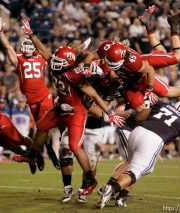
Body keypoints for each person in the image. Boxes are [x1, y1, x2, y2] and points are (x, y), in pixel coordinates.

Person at [18, 17, 125, 196]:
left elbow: (93, 94)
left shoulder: (76, 76)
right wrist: (30, 35)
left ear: (67, 64)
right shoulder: (57, 64)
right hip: (62, 107)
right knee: (42, 126)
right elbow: (44, 51)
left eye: (59, 63)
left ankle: (90, 179)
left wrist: (110, 113)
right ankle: (33, 154)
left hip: (77, 111)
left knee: (75, 147)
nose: (54, 64)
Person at [97, 101, 180, 209]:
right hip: (152, 139)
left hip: (137, 131)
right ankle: (111, 189)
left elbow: (139, 117)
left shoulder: (162, 105)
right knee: (138, 170)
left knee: (131, 167)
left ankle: (121, 197)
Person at [0, 16, 60, 171]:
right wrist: (0, 33)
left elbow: (46, 51)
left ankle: (45, 154)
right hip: (31, 100)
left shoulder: (41, 58)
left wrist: (31, 34)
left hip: (44, 97)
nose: (28, 49)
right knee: (41, 130)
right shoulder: (19, 60)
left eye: (31, 47)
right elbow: (8, 48)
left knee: (44, 128)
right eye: (26, 47)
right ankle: (40, 154)